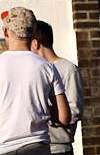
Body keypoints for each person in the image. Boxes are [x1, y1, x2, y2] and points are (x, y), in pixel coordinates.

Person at [0, 7, 71, 155]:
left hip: (0, 149)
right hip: (37, 148)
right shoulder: (48, 68)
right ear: (34, 33)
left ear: (5, 32)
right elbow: (64, 117)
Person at [31, 20, 84, 155]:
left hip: (58, 148)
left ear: (35, 43)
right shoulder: (33, 70)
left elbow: (74, 111)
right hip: (35, 148)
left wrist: (41, 111)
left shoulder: (68, 69)